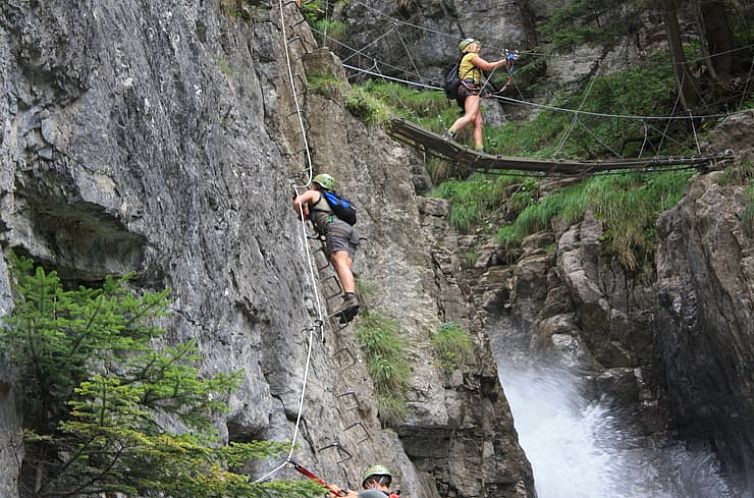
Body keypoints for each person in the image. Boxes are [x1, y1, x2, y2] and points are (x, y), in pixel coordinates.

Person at [292, 173, 360, 321]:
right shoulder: (333, 202)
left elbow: (298, 202)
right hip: (351, 232)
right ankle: (349, 302)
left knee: (339, 263)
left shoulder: (314, 193)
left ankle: (350, 299)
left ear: (317, 185)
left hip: (335, 229)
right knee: (344, 268)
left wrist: (301, 215)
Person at [444, 38, 511, 152]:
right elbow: (488, 66)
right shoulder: (471, 56)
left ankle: (479, 149)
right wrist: (506, 60)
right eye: (476, 45)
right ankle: (448, 134)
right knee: (470, 116)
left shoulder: (468, 59)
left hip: (468, 89)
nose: (478, 47)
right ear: (468, 48)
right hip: (470, 89)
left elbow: (476, 78)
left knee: (478, 121)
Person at [328, 465, 400, 498]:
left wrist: (332, 492)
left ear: (373, 483)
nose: (366, 490)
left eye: (367, 488)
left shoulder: (373, 493)